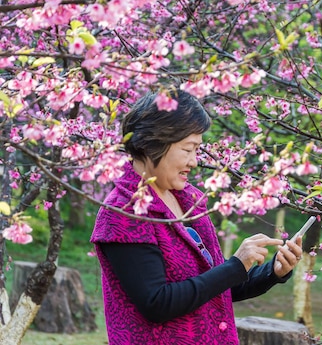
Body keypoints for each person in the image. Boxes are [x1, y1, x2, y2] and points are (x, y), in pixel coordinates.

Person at [90, 90, 303, 345]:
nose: (194, 161)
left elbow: (215, 287)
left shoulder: (188, 199)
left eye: (197, 150)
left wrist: (272, 272)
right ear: (155, 143)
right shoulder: (125, 211)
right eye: (188, 149)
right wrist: (235, 266)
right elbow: (158, 303)